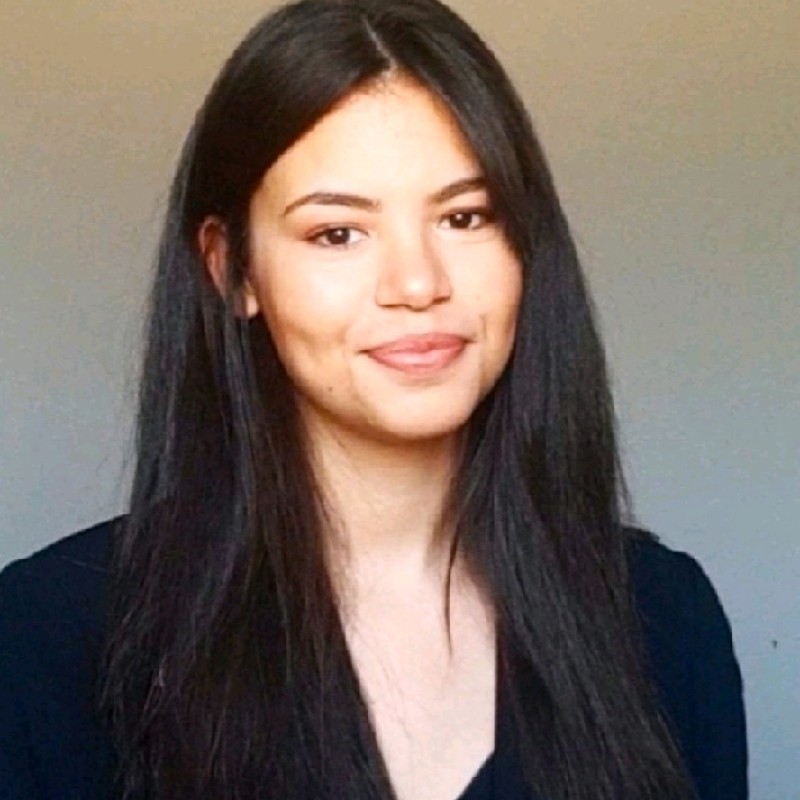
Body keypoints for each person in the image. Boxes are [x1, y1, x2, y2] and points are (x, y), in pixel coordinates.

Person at [0, 0, 747, 798]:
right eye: (338, 233)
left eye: (464, 217)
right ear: (232, 270)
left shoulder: (664, 617)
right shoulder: (51, 634)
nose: (418, 283)